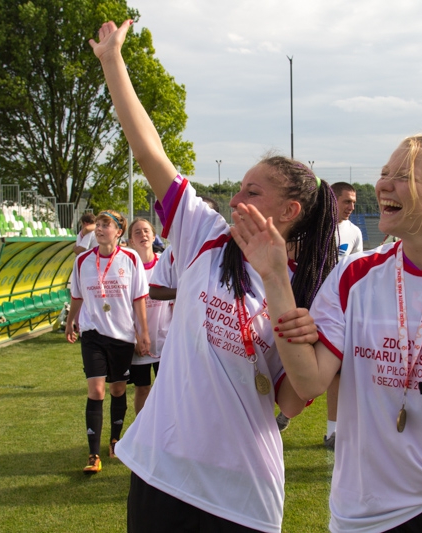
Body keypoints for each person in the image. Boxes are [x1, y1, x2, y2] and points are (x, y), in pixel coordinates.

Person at [90, 19, 338, 532]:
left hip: (241, 488)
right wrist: (113, 62)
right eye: (239, 188)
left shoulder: (313, 289)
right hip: (162, 471)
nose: (235, 199)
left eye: (252, 191)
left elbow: (292, 398)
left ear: (289, 210)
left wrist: (275, 280)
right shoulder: (205, 233)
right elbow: (148, 151)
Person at [233, 133, 422, 532]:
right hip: (366, 510)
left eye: (404, 176)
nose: (383, 185)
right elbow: (308, 383)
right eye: (384, 174)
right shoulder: (354, 275)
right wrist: (275, 276)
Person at [274, 182, 363, 443]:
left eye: (354, 202)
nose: (351, 207)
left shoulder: (354, 232)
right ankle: (282, 413)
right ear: (332, 201)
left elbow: (350, 269)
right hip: (298, 301)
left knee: (334, 371)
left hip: (330, 309)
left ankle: (332, 429)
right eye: (346, 201)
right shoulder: (306, 228)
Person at [66, 209, 151, 475]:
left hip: (122, 336)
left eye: (106, 225)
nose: (100, 229)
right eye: (98, 225)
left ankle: (115, 440)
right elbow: (77, 296)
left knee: (117, 390)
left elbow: (139, 299)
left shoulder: (130, 258)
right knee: (97, 391)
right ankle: (93, 454)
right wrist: (71, 321)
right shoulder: (82, 261)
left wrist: (143, 333)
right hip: (92, 334)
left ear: (118, 231)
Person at [126, 217, 173, 413]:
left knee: (168, 391)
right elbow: (123, 307)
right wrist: (136, 337)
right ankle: (141, 436)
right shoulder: (127, 268)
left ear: (154, 236)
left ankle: (167, 436)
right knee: (143, 388)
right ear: (130, 241)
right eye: (137, 232)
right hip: (139, 342)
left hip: (165, 340)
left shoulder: (165, 263)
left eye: (146, 231)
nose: (143, 235)